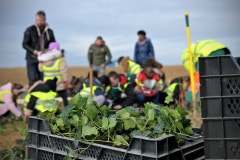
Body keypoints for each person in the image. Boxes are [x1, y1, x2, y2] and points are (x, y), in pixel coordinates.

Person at [181, 39, 230, 103]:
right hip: (223, 49)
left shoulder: (185, 55)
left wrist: (194, 73)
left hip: (209, 53)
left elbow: (192, 70)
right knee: (223, 76)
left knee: (197, 79)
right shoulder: (195, 48)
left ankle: (190, 101)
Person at [22, 10, 56, 86]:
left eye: (41, 20)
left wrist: (52, 53)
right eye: (37, 20)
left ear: (44, 20)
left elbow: (53, 44)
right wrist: (35, 51)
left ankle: (43, 97)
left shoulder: (50, 32)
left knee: (43, 80)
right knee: (32, 81)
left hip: (45, 60)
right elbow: (24, 44)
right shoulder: (29, 30)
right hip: (32, 59)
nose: (39, 22)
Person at [38, 42, 69, 106]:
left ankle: (50, 111)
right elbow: (64, 71)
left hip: (47, 83)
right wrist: (66, 81)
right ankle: (67, 112)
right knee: (64, 97)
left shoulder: (43, 59)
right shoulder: (60, 59)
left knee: (49, 99)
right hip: (59, 82)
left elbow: (40, 69)